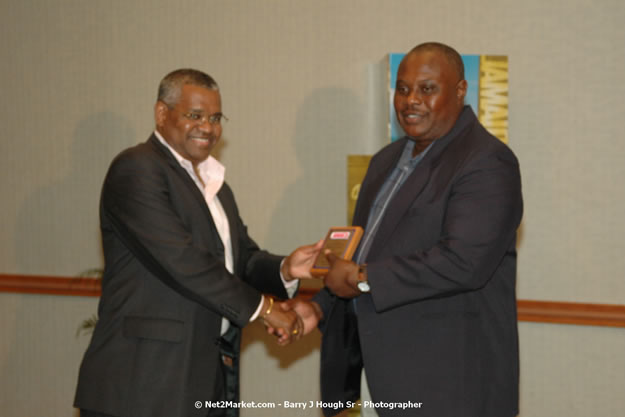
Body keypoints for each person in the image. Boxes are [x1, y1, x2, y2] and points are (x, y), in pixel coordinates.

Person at [283, 42, 523, 417]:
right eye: (403, 88)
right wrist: (319, 308)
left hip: (446, 387)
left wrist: (363, 277)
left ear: (460, 90)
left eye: (427, 89)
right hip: (372, 377)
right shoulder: (384, 161)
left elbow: (463, 262)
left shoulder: (486, 161)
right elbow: (363, 257)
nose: (411, 100)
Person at [74, 69, 322, 417]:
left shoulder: (215, 185)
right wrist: (265, 310)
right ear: (162, 114)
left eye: (215, 118)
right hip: (144, 383)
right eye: (195, 115)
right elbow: (183, 261)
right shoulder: (137, 169)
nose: (208, 127)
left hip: (206, 377)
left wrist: (285, 268)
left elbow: (241, 260)